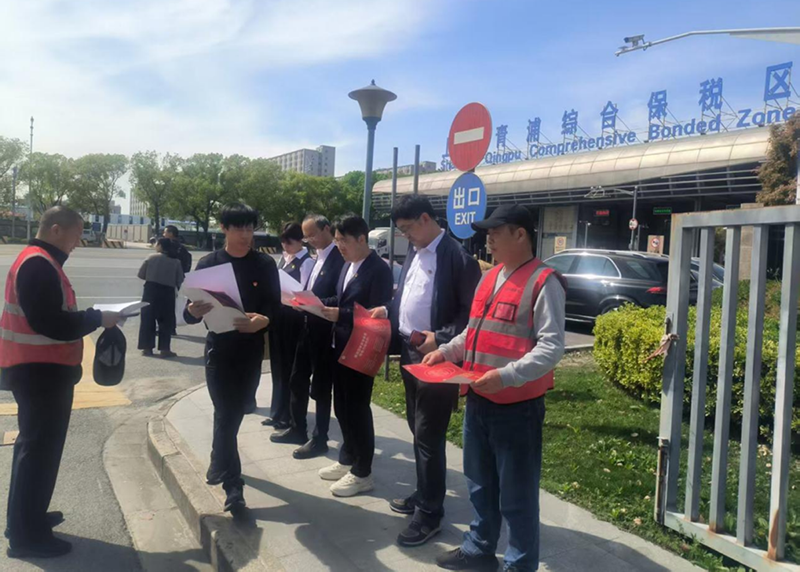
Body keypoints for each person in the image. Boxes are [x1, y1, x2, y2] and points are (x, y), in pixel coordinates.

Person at [426, 205, 566, 572]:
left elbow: (552, 347)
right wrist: (445, 351)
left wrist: (506, 375)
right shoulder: (488, 279)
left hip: (517, 408)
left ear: (521, 234)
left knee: (517, 496)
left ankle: (519, 565)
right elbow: (472, 331)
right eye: (486, 233)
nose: (487, 240)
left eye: (495, 232)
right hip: (478, 400)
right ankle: (478, 549)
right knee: (479, 484)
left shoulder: (543, 282)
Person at [0, 206, 121, 559]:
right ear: (56, 229)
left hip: (38, 371)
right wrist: (97, 318)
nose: (78, 242)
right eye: (76, 234)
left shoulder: (40, 260)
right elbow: (50, 323)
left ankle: (27, 519)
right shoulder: (39, 264)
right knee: (38, 454)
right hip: (40, 373)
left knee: (35, 451)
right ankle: (26, 536)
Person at [370, 195, 481, 547]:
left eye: (407, 229)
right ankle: (424, 492)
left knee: (429, 434)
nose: (405, 236)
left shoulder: (458, 258)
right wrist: (388, 310)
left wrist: (442, 338)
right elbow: (407, 295)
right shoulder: (416, 251)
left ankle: (430, 514)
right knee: (416, 430)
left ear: (424, 219)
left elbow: (471, 315)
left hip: (438, 357)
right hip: (409, 351)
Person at [184, 203, 280, 514]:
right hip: (219, 351)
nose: (246, 234)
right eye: (239, 228)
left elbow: (275, 307)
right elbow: (189, 311)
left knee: (234, 412)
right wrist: (192, 311)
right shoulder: (209, 264)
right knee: (225, 412)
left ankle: (217, 458)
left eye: (250, 228)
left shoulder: (264, 264)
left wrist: (263, 320)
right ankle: (233, 486)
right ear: (224, 228)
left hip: (249, 352)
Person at [316, 215, 393, 498]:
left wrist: (342, 314)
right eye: (336, 241)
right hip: (340, 345)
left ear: (362, 238)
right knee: (342, 406)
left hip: (361, 349)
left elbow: (377, 314)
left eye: (343, 241)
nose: (339, 246)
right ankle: (348, 457)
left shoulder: (378, 269)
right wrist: (315, 303)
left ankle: (363, 472)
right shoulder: (348, 265)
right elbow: (342, 300)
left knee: (358, 409)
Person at [270, 214, 344, 461]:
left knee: (321, 388)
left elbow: (341, 297)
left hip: (325, 331)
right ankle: (297, 427)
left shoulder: (339, 259)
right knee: (296, 379)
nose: (310, 240)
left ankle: (320, 438)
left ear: (327, 229)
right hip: (307, 326)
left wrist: (314, 303)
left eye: (313, 234)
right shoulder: (317, 257)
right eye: (306, 236)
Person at [264, 222, 314, 430]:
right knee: (277, 367)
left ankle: (288, 415)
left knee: (289, 369)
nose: (286, 246)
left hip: (295, 320)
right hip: (279, 318)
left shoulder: (307, 262)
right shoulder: (283, 259)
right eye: (283, 242)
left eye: (290, 242)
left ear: (301, 240)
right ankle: (277, 412)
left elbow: (305, 291)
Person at [137, 237, 184, 358]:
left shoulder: (151, 257)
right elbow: (180, 279)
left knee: (147, 319)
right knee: (166, 321)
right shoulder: (176, 261)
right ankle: (164, 349)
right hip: (167, 293)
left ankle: (147, 348)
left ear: (160, 246)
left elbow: (141, 274)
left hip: (150, 290)